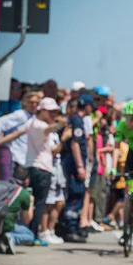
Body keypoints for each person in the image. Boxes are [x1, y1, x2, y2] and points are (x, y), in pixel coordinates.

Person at [25, 97, 67, 245]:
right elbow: (49, 129)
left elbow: (53, 150)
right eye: (50, 111)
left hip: (37, 167)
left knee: (36, 202)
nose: (53, 114)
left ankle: (31, 233)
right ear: (41, 111)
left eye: (55, 111)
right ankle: (33, 235)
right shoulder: (38, 124)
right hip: (41, 168)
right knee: (40, 203)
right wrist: (62, 124)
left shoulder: (32, 123)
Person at [61, 97, 88, 243]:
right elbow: (75, 144)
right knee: (75, 194)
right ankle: (70, 228)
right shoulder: (77, 120)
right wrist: (80, 166)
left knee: (78, 194)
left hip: (75, 163)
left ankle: (74, 226)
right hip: (74, 164)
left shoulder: (76, 120)